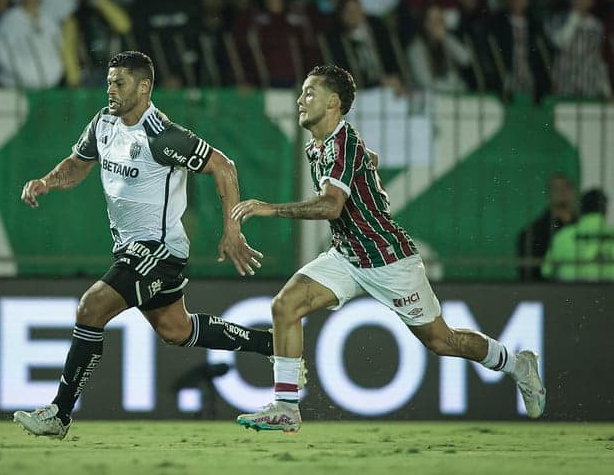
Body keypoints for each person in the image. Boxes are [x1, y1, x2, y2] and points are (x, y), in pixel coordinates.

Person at [231, 65, 546, 433]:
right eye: (302, 92)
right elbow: (364, 163)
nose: (300, 99)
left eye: (310, 92)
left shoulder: (343, 143)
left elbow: (331, 206)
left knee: (442, 341)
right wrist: (369, 162)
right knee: (285, 306)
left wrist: (271, 208)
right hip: (347, 256)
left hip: (388, 260)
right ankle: (286, 406)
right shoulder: (320, 144)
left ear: (334, 102)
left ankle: (518, 364)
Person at [14, 51, 276, 439]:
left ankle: (59, 414)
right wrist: (47, 182)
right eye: (109, 82)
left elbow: (224, 166)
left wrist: (232, 229)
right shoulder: (103, 123)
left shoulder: (162, 135)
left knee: (91, 307)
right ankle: (271, 343)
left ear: (144, 87)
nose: (111, 90)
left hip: (158, 250)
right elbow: (78, 162)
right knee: (176, 330)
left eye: (119, 83)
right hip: (129, 250)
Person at [542, 189, 614, 282]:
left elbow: (546, 270)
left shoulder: (563, 235)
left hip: (572, 292)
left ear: (581, 209)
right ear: (605, 209)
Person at [517, 173, 577, 281]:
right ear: (548, 193)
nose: (561, 192)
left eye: (565, 187)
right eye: (556, 188)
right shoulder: (532, 233)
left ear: (573, 192)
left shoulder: (584, 228)